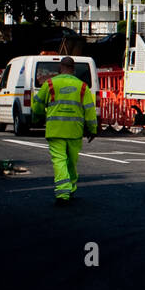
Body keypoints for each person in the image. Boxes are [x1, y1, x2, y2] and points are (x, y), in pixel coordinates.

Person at [31, 57, 97, 205]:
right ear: (74, 69)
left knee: (59, 161)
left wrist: (36, 118)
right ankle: (71, 188)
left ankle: (63, 193)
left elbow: (38, 105)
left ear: (60, 67)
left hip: (55, 130)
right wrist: (92, 130)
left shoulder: (50, 84)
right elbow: (89, 110)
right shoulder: (82, 87)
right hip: (74, 131)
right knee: (72, 161)